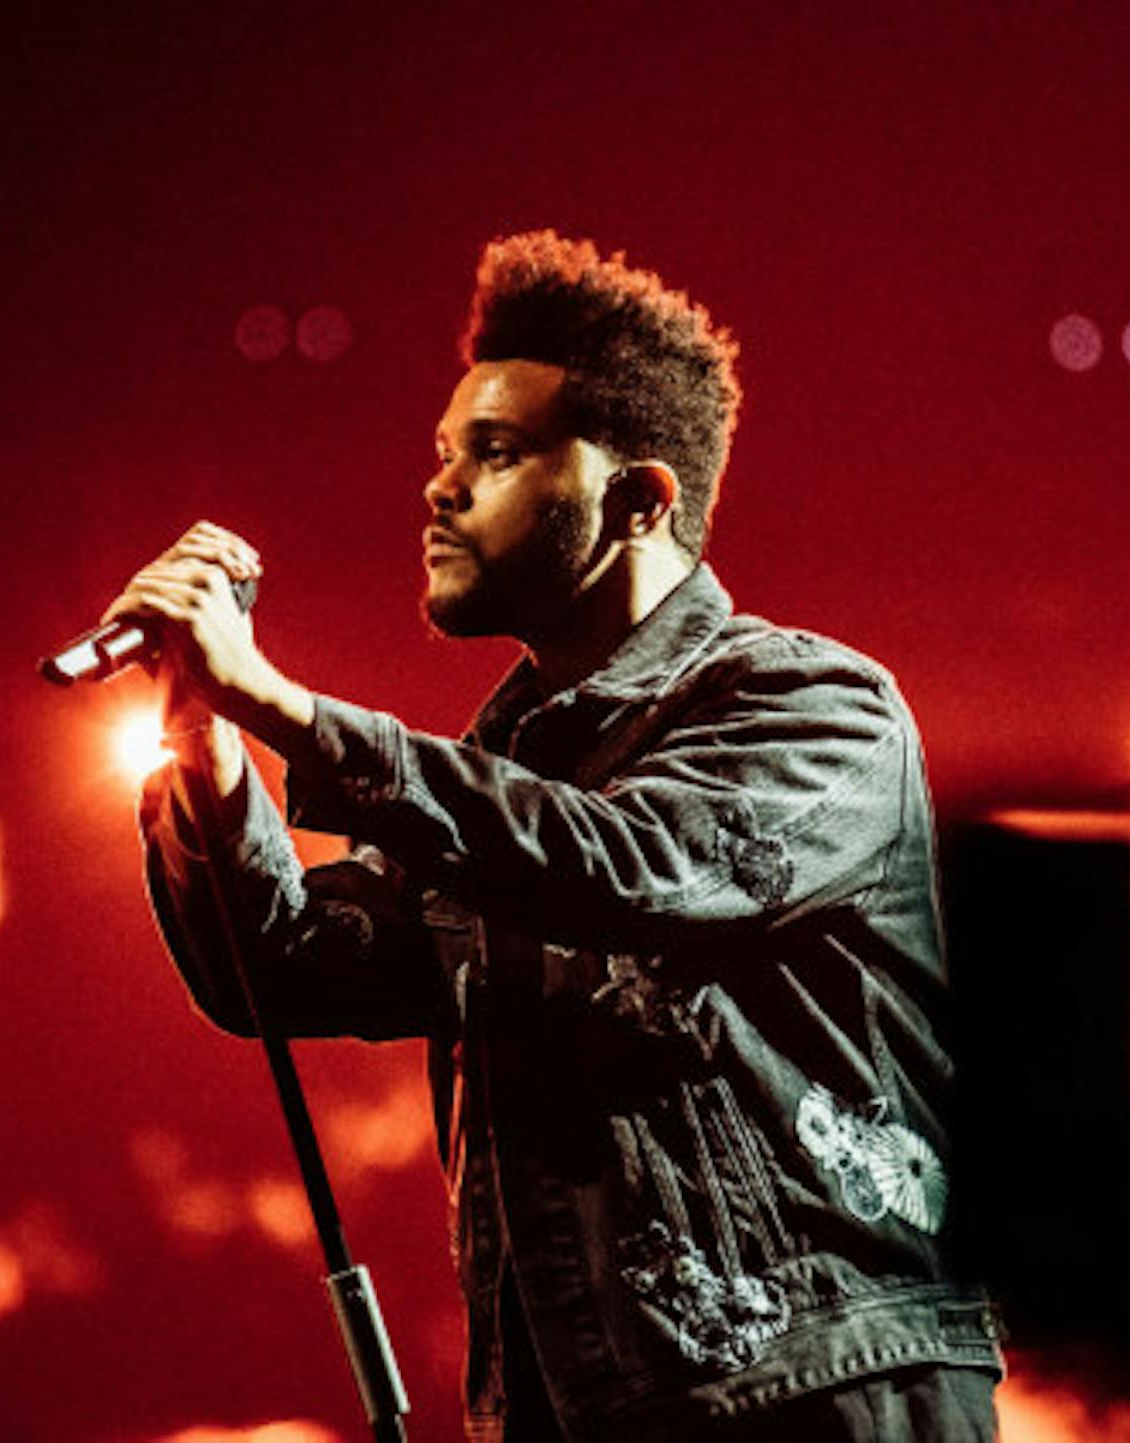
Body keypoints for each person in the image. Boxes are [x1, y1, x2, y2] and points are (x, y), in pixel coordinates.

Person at [111, 231, 1002, 1442]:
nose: (439, 489)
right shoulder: (497, 791)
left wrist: (285, 705)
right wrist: (210, 740)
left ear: (638, 499)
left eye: (497, 452)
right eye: (443, 452)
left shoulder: (811, 705)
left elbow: (629, 867)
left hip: (815, 1395)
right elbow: (278, 966)